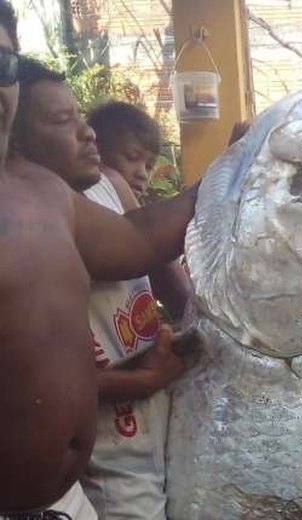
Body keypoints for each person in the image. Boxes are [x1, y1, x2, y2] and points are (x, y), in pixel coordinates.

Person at [0, 2, 197, 516]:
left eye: (1, 65)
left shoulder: (41, 193)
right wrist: (137, 381)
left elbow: (140, 242)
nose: (86, 133)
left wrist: (238, 172)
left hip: (68, 500)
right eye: (63, 121)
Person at [86, 100, 190, 320]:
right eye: (132, 158)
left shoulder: (134, 209)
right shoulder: (100, 190)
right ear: (94, 149)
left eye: (149, 165)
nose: (142, 173)